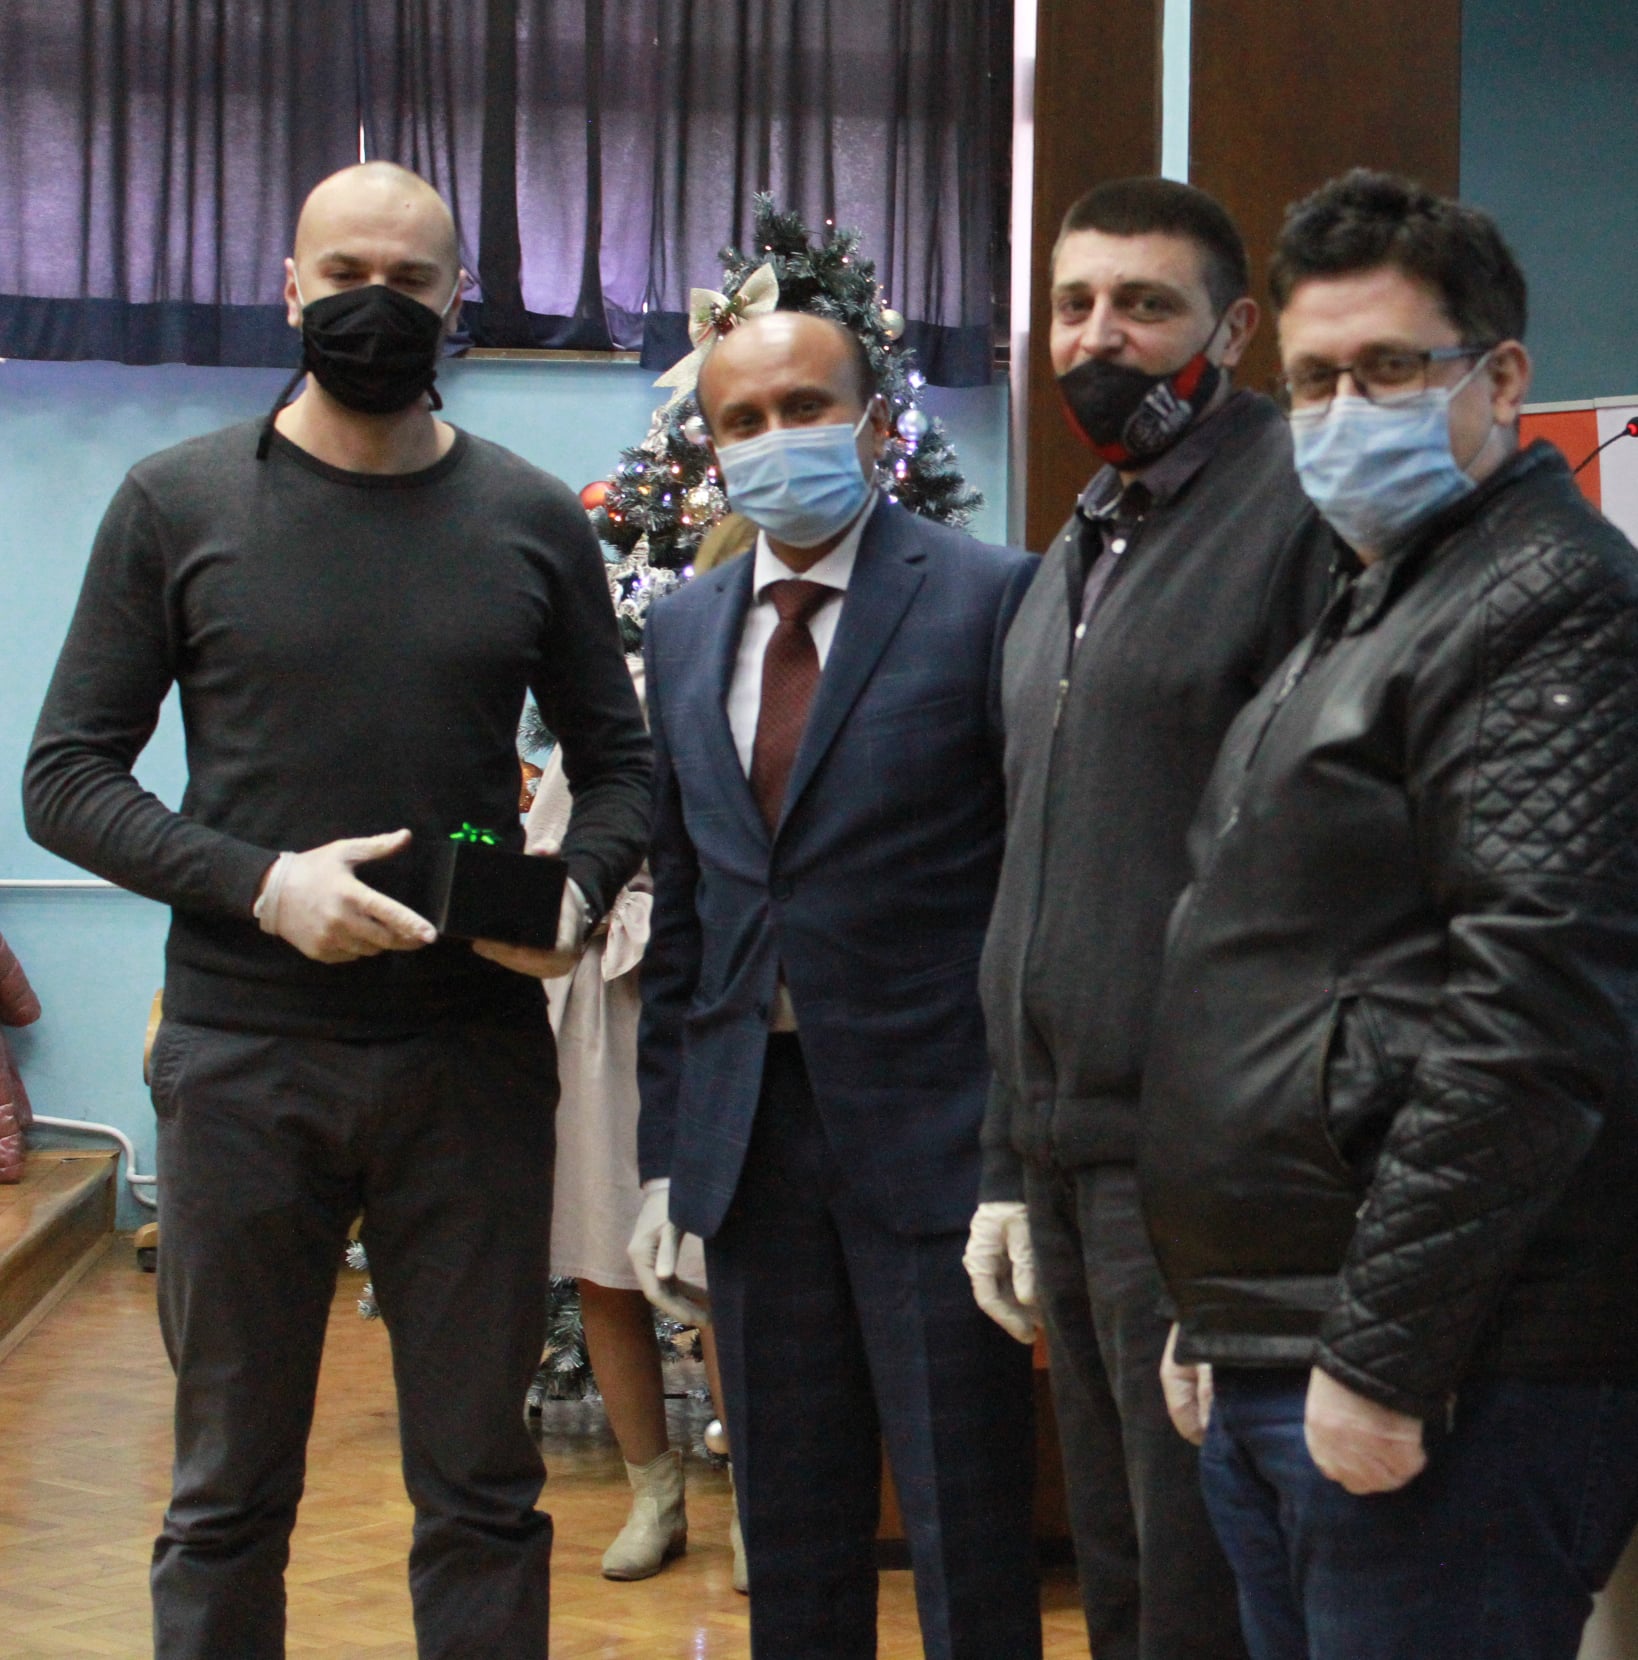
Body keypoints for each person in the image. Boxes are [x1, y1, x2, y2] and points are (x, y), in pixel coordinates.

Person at [23, 161, 651, 1660]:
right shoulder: (174, 501)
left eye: (412, 279)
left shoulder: (527, 516)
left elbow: (624, 767)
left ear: (456, 299)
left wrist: (577, 889)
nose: (379, 302)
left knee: (483, 1492)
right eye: (347, 272)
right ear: (290, 287)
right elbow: (65, 777)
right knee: (225, 1496)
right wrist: (261, 883)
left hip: (471, 1067)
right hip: (245, 1061)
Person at [1141, 169, 1638, 1660]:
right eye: (1312, 379)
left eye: (1389, 369)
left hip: (1453, 1367)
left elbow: (1529, 1018)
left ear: (1501, 377)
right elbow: (1289, 973)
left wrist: (1381, 1351)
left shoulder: (1551, 601)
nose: (1343, 409)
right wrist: (1221, 1306)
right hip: (1288, 1338)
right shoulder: (1370, 600)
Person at [629, 309, 1042, 1660]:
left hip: (938, 1136)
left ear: (873, 420)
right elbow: (687, 907)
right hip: (753, 1142)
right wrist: (665, 1157)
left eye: (804, 407)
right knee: (792, 1538)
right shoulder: (685, 629)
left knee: (965, 1529)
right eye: (741, 421)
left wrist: (1016, 1152)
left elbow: (1030, 887)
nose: (774, 439)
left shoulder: (990, 596)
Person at [965, 177, 1335, 1660]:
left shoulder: (1295, 514)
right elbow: (1034, 866)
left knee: (1201, 1593)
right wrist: (1006, 1153)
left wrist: (1244, 1214)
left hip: (1199, 1166)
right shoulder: (1084, 540)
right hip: (1064, 1154)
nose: (1098, 337)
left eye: (1144, 305)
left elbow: (1312, 871)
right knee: (1116, 1576)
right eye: (1074, 304)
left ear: (1232, 331)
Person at [526, 672, 747, 1593]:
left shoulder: (752, 695)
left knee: (722, 1263)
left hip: (709, 998)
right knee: (603, 1260)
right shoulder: (619, 701)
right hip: (598, 1010)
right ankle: (653, 1495)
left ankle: (757, 1506)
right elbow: (546, 851)